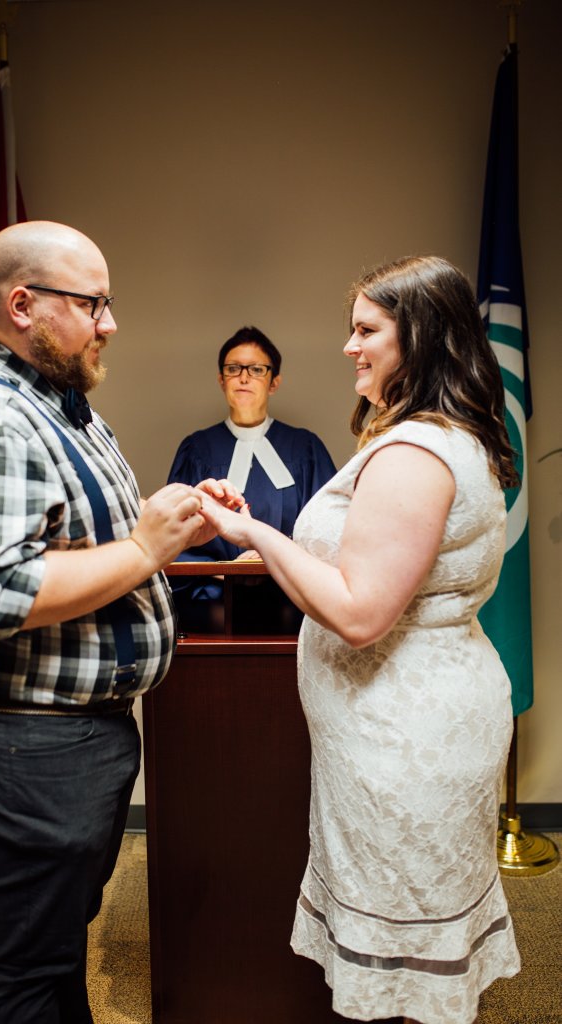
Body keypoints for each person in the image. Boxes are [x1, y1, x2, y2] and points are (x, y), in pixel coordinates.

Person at [0, 220, 241, 1024]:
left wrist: (174, 532)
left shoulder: (61, 408)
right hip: (24, 744)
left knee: (52, 948)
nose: (110, 322)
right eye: (94, 303)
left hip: (70, 738)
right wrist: (142, 546)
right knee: (24, 969)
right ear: (23, 306)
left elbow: (87, 548)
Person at [199, 256, 521, 1024]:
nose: (348, 345)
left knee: (407, 965)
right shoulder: (440, 434)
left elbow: (358, 613)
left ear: (422, 339)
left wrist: (251, 534)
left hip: (405, 745)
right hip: (408, 729)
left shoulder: (413, 453)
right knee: (414, 959)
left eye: (366, 329)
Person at [167, 325, 335, 632]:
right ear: (222, 380)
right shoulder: (197, 449)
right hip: (213, 602)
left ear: (274, 383)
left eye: (256, 369)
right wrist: (227, 571)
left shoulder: (305, 448)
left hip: (292, 600)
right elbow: (173, 534)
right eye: (234, 369)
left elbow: (329, 529)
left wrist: (270, 558)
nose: (244, 377)